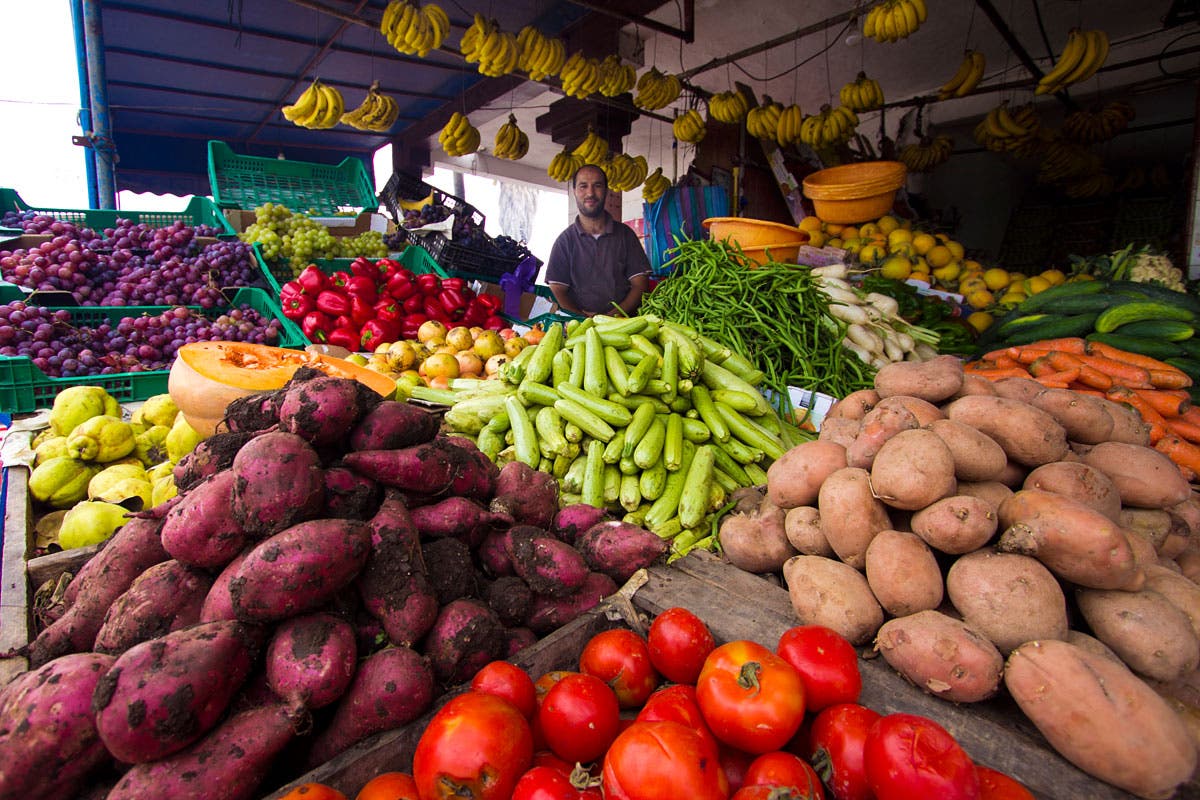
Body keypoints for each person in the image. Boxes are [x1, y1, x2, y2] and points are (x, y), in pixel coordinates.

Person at [545, 163, 651, 317]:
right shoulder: (565, 241)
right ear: (574, 191)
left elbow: (640, 283)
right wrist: (583, 319)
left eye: (597, 185)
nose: (590, 193)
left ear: (606, 191)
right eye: (583, 186)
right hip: (578, 328)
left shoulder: (625, 235)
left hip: (624, 325)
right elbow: (557, 290)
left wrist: (612, 317)